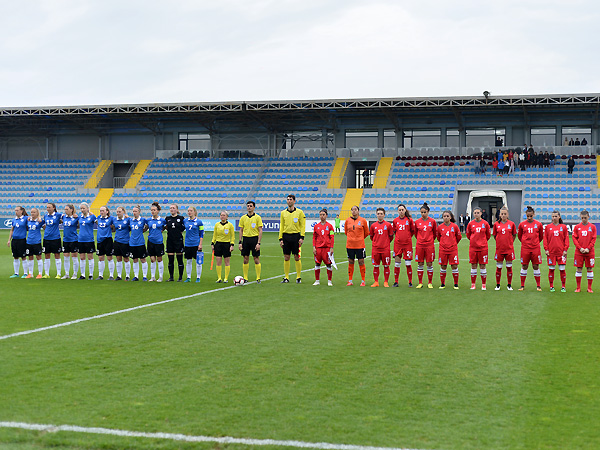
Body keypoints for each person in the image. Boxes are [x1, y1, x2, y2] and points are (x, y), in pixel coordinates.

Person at [279, 194, 305, 283]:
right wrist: (280, 238)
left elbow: (302, 225)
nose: (289, 201)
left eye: (290, 199)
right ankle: (286, 277)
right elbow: (281, 226)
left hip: (296, 237)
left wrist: (302, 237)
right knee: (286, 257)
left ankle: (298, 277)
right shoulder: (283, 213)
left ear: (294, 201)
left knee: (297, 256)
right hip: (286, 236)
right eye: (288, 199)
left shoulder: (300, 212)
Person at [517, 206, 544, 291]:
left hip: (535, 248)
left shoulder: (538, 224)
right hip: (525, 248)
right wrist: (525, 243)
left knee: (535, 265)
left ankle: (538, 286)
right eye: (527, 216)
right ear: (526, 215)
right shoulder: (522, 224)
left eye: (531, 216)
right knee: (524, 265)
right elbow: (520, 236)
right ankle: (522, 285)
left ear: (534, 215)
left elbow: (541, 237)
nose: (529, 218)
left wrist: (535, 243)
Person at [544, 210, 569, 292]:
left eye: (555, 216)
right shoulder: (548, 227)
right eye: (553, 216)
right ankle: (551, 286)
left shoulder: (564, 227)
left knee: (562, 269)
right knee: (551, 269)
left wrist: (565, 249)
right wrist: (546, 249)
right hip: (551, 252)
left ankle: (563, 286)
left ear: (559, 217)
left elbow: (566, 239)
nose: (554, 218)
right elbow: (545, 239)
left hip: (561, 252)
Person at [492, 206, 517, 290]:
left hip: (509, 249)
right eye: (502, 214)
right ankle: (498, 285)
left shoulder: (511, 224)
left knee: (509, 267)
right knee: (499, 267)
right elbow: (495, 236)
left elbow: (514, 235)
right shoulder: (496, 224)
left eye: (505, 214)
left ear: (507, 215)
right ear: (499, 215)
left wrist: (509, 243)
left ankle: (509, 285)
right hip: (499, 249)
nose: (503, 215)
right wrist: (500, 243)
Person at [466, 207, 491, 290]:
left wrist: (482, 242)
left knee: (482, 265)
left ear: (481, 213)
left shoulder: (485, 223)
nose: (476, 214)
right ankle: (473, 284)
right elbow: (468, 235)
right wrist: (474, 241)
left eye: (478, 212)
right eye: (475, 212)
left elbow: (488, 235)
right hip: (473, 248)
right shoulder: (470, 224)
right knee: (473, 265)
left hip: (483, 248)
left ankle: (483, 284)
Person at [414, 202, 437, 288]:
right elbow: (415, 234)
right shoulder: (417, 222)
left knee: (429, 263)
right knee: (420, 263)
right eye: (421, 212)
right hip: (420, 245)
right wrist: (421, 239)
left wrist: (429, 240)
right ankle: (420, 283)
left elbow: (435, 233)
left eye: (425, 212)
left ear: (428, 212)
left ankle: (430, 282)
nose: (423, 214)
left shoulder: (432, 221)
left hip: (429, 245)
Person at [572, 210, 596, 293]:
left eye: (585, 218)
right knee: (579, 268)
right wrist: (580, 248)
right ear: (580, 217)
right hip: (579, 252)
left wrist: (588, 248)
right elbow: (574, 238)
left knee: (589, 268)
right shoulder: (577, 227)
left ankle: (589, 288)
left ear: (588, 217)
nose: (584, 219)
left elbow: (594, 239)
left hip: (590, 252)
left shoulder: (592, 227)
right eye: (582, 218)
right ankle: (578, 288)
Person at [239, 200, 263, 283]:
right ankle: (245, 278)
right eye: (248, 206)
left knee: (256, 258)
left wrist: (258, 243)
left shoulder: (257, 217)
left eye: (251, 206)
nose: (249, 207)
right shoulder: (243, 218)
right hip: (245, 239)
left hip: (254, 239)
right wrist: (240, 242)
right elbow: (241, 230)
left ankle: (258, 278)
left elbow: (260, 230)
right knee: (245, 258)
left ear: (254, 207)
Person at [344, 205, 369, 286]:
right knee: (350, 261)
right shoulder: (348, 220)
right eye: (352, 210)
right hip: (350, 245)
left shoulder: (363, 220)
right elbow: (346, 232)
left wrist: (359, 238)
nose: (354, 211)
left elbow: (366, 232)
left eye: (355, 209)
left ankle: (363, 280)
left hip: (360, 245)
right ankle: (350, 280)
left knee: (361, 261)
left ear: (358, 211)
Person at [369, 207, 394, 287]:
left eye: (381, 214)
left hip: (385, 249)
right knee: (376, 265)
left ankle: (386, 282)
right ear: (376, 215)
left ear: (384, 215)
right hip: (376, 249)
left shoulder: (388, 225)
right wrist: (377, 243)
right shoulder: (373, 225)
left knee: (386, 265)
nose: (380, 215)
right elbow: (372, 237)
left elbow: (391, 237)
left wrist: (385, 243)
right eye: (378, 214)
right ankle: (376, 282)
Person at [437, 210, 461, 289]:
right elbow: (438, 238)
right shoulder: (440, 227)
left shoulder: (454, 226)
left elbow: (458, 237)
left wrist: (453, 243)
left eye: (447, 216)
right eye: (444, 216)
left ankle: (456, 284)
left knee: (454, 266)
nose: (446, 217)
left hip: (452, 250)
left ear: (450, 217)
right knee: (443, 266)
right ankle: (442, 284)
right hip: (443, 250)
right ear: (442, 217)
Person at [392, 204, 414, 287]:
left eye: (402, 209)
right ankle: (396, 282)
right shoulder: (395, 221)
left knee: (408, 263)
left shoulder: (409, 220)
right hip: (398, 245)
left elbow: (412, 231)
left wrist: (407, 238)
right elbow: (394, 231)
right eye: (399, 210)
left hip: (407, 245)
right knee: (397, 263)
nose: (401, 211)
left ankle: (410, 282)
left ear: (405, 210)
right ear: (398, 211)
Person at [312, 208, 334, 286]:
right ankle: (317, 281)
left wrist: (331, 247)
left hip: (327, 248)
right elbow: (314, 237)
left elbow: (332, 237)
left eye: (323, 215)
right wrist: (314, 247)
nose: (322, 216)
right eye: (320, 215)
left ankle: (329, 281)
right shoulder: (316, 226)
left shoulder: (330, 226)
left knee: (328, 264)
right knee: (317, 263)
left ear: (326, 215)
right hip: (318, 248)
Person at [212, 211, 235, 283]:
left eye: (224, 215)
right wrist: (212, 243)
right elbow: (214, 235)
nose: (222, 216)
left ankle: (226, 278)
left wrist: (232, 245)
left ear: (227, 217)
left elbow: (233, 236)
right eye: (221, 215)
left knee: (226, 262)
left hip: (226, 244)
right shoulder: (217, 225)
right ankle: (219, 278)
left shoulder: (230, 225)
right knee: (218, 261)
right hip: (218, 244)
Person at [165, 204, 186, 282]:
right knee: (170, 260)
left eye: (173, 208)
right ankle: (171, 277)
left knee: (179, 259)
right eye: (170, 208)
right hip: (170, 241)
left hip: (178, 241)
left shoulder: (181, 218)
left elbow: (183, 228)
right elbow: (165, 227)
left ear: (177, 210)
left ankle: (180, 277)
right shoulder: (167, 218)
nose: (172, 209)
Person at [183, 206, 204, 283]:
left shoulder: (199, 222)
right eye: (188, 211)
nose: (189, 212)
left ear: (194, 212)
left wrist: (200, 244)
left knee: (198, 262)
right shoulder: (185, 221)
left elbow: (201, 234)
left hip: (196, 244)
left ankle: (198, 277)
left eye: (191, 211)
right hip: (187, 244)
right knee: (188, 261)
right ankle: (188, 277)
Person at [147, 202, 166, 282]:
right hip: (150, 241)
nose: (153, 211)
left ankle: (160, 276)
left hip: (158, 241)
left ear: (158, 211)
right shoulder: (148, 220)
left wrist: (161, 230)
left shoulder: (162, 220)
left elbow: (165, 226)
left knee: (159, 259)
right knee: (152, 259)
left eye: (154, 210)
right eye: (151, 210)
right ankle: (152, 276)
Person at [7, 206, 28, 278]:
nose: (16, 212)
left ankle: (25, 273)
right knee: (15, 257)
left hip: (22, 240)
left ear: (21, 211)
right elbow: (12, 230)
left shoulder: (25, 218)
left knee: (23, 256)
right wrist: (9, 240)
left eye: (17, 210)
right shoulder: (14, 220)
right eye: (15, 210)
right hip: (14, 240)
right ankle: (16, 273)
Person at [42, 202, 63, 279]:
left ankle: (58, 274)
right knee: (47, 255)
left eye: (49, 207)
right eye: (47, 207)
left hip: (55, 238)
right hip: (46, 238)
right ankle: (46, 274)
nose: (48, 209)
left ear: (53, 208)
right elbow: (43, 224)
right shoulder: (45, 216)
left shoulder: (58, 215)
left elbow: (65, 217)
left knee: (57, 255)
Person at [77, 202, 97, 280]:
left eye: (83, 208)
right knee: (82, 257)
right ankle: (82, 274)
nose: (82, 210)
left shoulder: (92, 217)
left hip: (89, 239)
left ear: (87, 209)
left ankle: (91, 274)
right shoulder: (80, 217)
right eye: (81, 208)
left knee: (90, 257)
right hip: (81, 239)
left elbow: (99, 223)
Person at [129, 205, 148, 281]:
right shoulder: (131, 220)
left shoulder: (143, 220)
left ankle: (144, 276)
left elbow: (148, 225)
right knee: (134, 259)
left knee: (143, 259)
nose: (134, 213)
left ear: (139, 212)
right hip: (132, 243)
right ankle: (136, 276)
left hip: (140, 242)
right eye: (133, 211)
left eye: (135, 211)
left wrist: (144, 231)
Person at [96, 206, 115, 280]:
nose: (101, 212)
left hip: (108, 240)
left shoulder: (111, 218)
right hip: (99, 240)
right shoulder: (98, 218)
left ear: (107, 211)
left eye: (103, 210)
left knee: (109, 257)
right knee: (100, 258)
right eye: (100, 211)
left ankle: (111, 275)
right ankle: (100, 275)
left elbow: (117, 222)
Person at [112, 206, 131, 281]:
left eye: (119, 212)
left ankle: (127, 275)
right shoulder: (114, 220)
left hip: (125, 241)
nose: (118, 213)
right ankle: (119, 275)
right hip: (117, 241)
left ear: (123, 212)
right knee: (118, 258)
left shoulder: (128, 220)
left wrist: (128, 217)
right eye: (117, 212)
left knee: (126, 258)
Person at [26, 208, 45, 278]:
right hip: (29, 241)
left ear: (37, 213)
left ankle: (40, 273)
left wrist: (41, 220)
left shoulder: (40, 221)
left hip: (37, 241)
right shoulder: (28, 220)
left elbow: (45, 227)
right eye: (31, 212)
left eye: (34, 212)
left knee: (38, 257)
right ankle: (30, 273)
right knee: (30, 257)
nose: (32, 213)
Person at [61, 204, 79, 279]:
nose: (65, 211)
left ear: (71, 210)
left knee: (74, 257)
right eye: (65, 209)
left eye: (67, 209)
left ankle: (75, 273)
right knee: (66, 257)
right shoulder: (64, 217)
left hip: (73, 239)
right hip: (66, 239)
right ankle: (67, 274)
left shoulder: (76, 218)